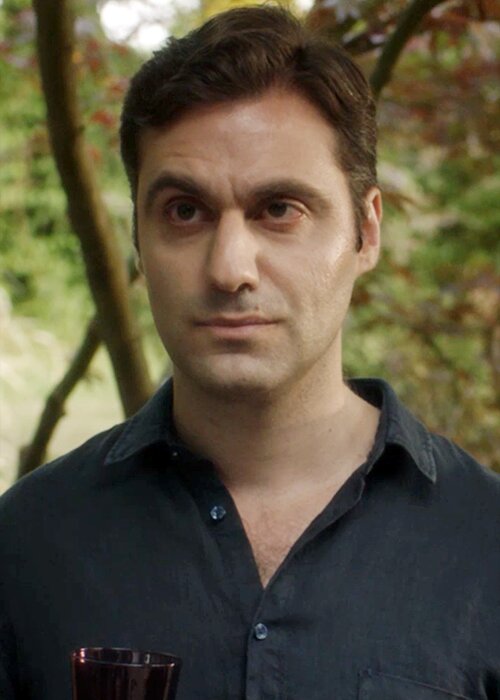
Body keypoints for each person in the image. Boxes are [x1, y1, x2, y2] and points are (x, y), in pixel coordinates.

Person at [1, 5, 499, 699]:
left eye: (279, 209)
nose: (230, 268)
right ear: (139, 242)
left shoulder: (485, 547)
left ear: (366, 232)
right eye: (185, 211)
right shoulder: (26, 547)